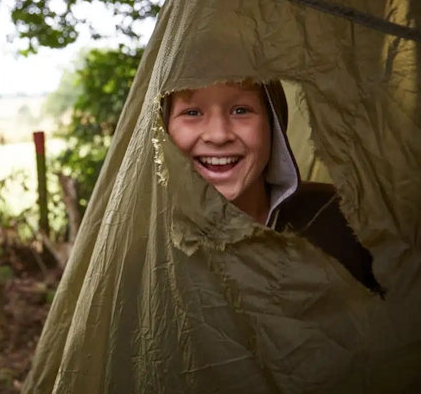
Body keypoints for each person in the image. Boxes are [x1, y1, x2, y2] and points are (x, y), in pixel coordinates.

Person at [162, 79, 385, 296]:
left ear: (273, 125)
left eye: (240, 110)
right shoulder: (147, 251)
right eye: (192, 113)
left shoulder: (345, 217)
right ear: (162, 131)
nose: (219, 135)